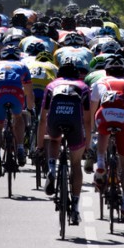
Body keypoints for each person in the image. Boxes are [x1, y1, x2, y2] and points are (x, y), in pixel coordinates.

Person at [90, 55, 124, 223]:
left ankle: (100, 163)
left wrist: (93, 129)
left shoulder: (99, 84)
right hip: (123, 119)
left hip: (104, 117)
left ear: (106, 71)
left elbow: (92, 110)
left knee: (102, 132)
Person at [36, 62, 92, 226]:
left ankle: (52, 168)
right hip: (75, 123)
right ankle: (74, 207)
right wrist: (87, 147)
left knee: (54, 139)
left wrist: (39, 147)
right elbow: (88, 121)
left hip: (55, 119)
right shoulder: (83, 87)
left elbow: (42, 119)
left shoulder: (52, 85)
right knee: (75, 165)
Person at [0, 46, 34, 178]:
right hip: (16, 94)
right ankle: (20, 147)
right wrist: (30, 109)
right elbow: (29, 92)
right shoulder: (22, 66)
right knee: (18, 117)